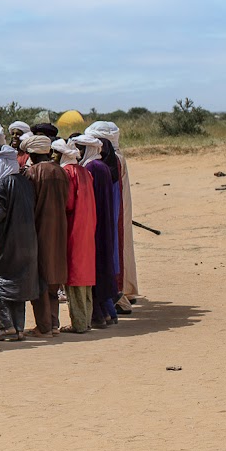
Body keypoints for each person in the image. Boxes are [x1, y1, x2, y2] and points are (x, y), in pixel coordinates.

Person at [0, 142, 39, 341]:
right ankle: (18, 328)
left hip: (8, 243)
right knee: (18, 285)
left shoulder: (4, 183)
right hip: (27, 241)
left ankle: (5, 327)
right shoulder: (25, 181)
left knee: (0, 282)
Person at [21, 133, 69, 338]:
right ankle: (54, 323)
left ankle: (44, 326)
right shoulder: (61, 172)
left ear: (31, 154)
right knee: (53, 278)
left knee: (39, 277)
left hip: (38, 231)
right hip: (59, 230)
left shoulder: (31, 174)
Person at [87, 121, 138, 310]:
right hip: (113, 209)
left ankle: (117, 294)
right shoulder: (115, 158)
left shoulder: (111, 159)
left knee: (114, 247)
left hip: (112, 210)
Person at [52, 139, 97, 333]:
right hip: (87, 226)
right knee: (85, 276)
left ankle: (79, 323)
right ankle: (86, 319)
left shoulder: (68, 173)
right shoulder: (85, 172)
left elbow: (68, 203)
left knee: (76, 275)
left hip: (74, 228)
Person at [78, 135, 119, 328]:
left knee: (94, 268)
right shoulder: (101, 166)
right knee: (101, 267)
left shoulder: (91, 168)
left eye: (80, 149)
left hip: (94, 223)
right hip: (103, 222)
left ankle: (99, 316)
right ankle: (109, 313)